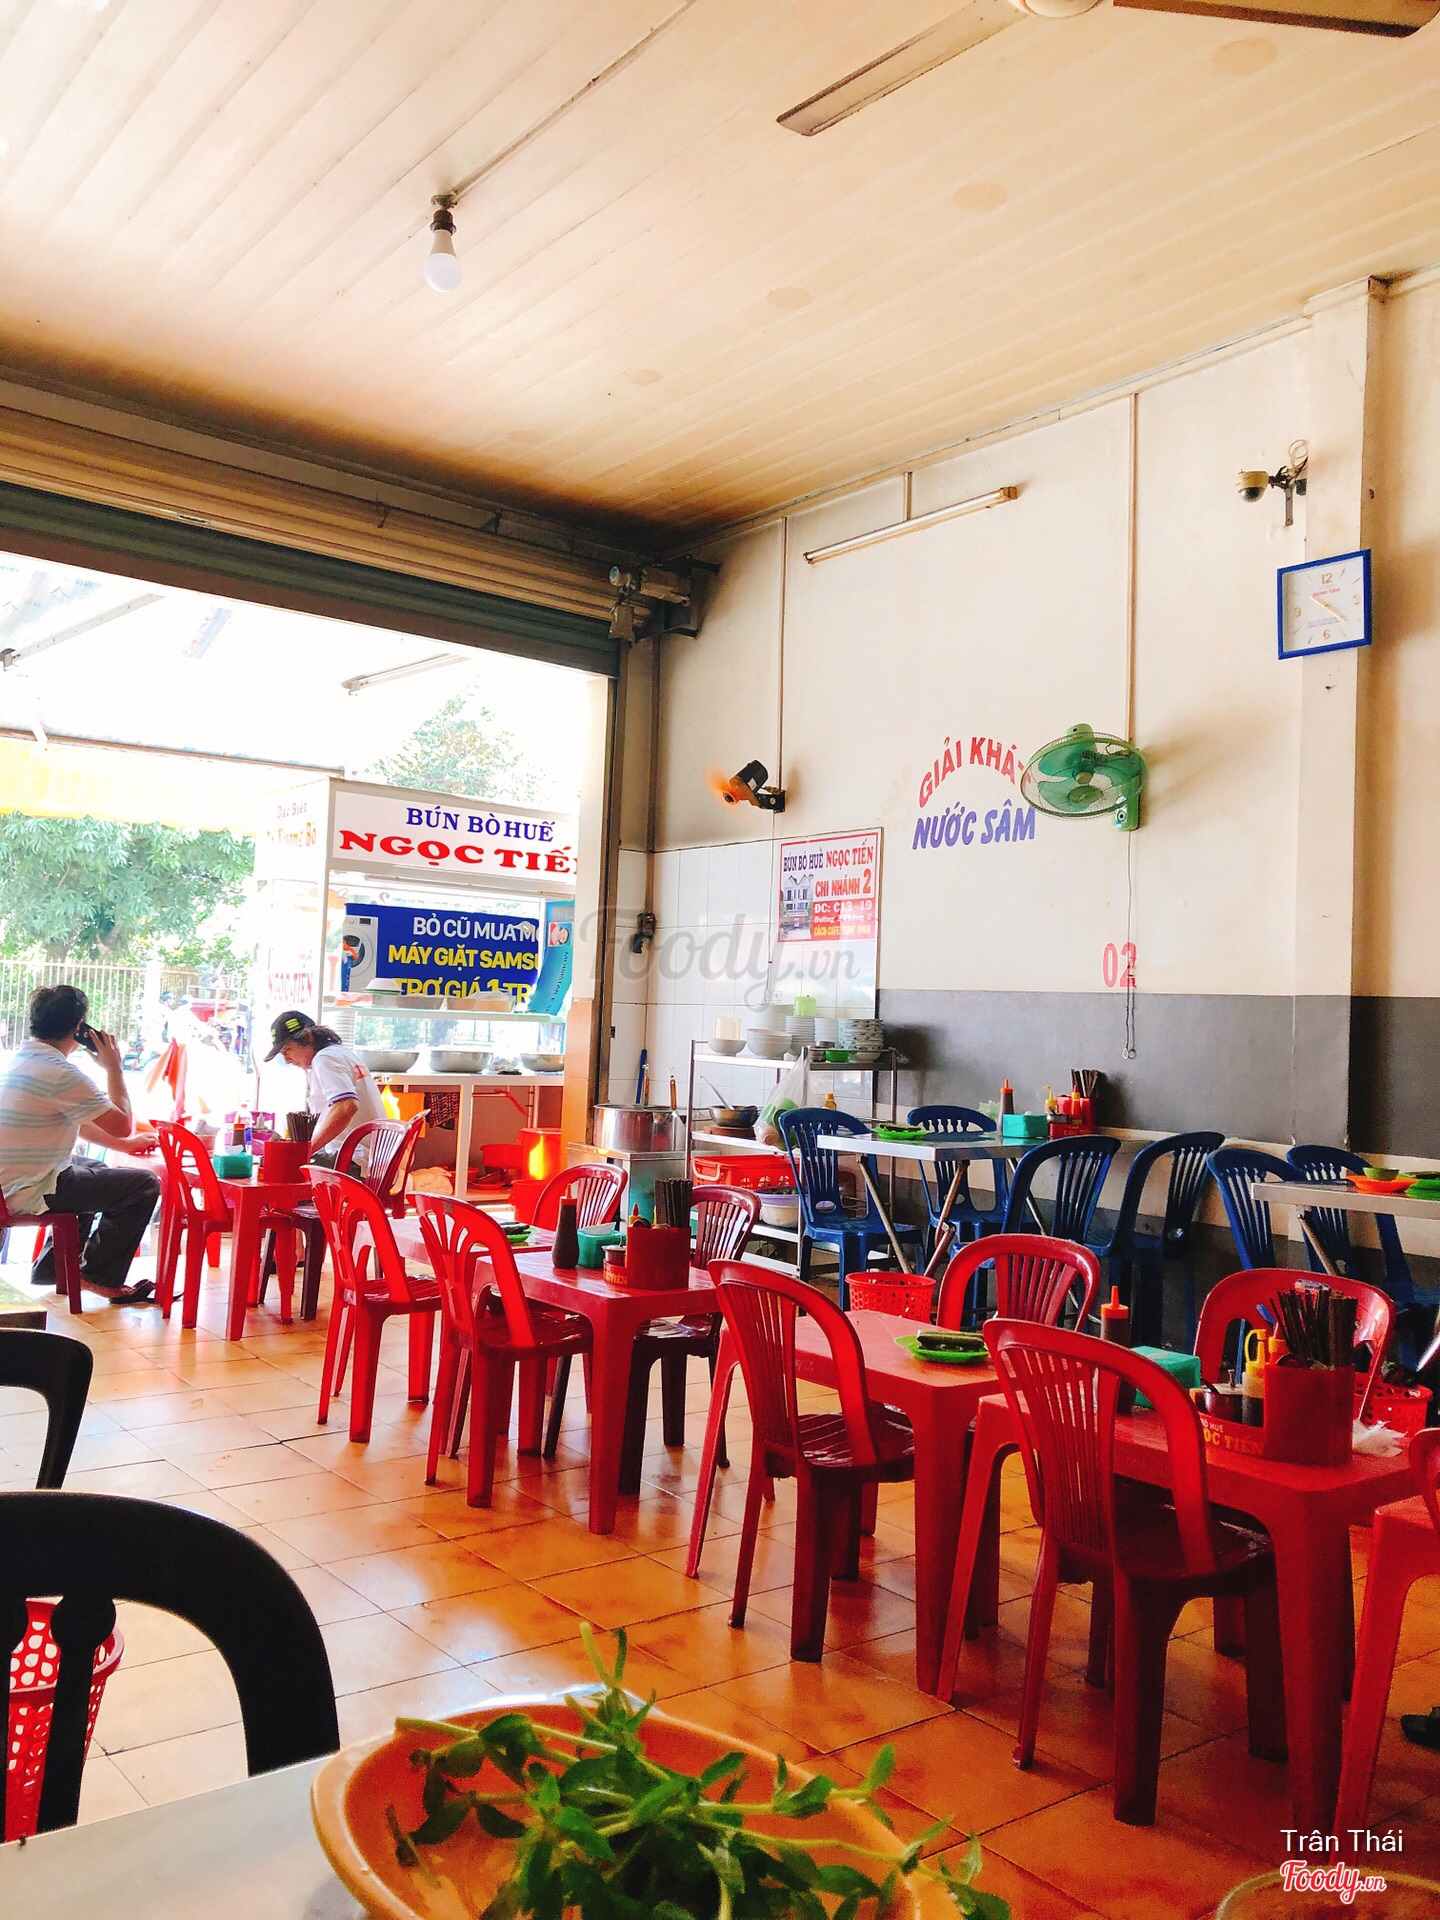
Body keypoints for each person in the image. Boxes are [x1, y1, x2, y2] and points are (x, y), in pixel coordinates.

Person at [0, 983, 161, 1304]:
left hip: (13, 1182)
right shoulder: (59, 1072)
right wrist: (114, 1068)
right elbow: (121, 1124)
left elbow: (81, 1121)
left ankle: (56, 1268)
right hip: (27, 1189)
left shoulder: (23, 1060)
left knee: (94, 1169)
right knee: (144, 1184)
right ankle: (98, 1276)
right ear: (79, 1028)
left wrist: (125, 1147)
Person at [265, 1010, 385, 1164]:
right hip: (368, 1158)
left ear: (308, 1037)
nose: (287, 1060)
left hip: (354, 1159)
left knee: (278, 1170)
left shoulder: (325, 1059)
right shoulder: (339, 1053)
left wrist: (306, 1152)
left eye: (287, 1051)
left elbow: (346, 1106)